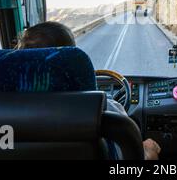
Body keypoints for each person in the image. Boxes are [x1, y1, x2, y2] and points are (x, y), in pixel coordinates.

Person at [17, 21, 161, 160]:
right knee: (149, 147)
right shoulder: (107, 111)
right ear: (69, 59)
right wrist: (148, 152)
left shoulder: (0, 110)